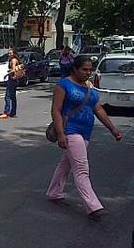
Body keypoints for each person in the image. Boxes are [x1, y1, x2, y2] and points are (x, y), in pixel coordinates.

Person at [46, 56, 122, 221]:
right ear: (74, 69)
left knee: (66, 164)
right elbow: (56, 111)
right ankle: (93, 206)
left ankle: (54, 192)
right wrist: (60, 133)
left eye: (90, 70)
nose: (88, 73)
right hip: (70, 130)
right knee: (81, 169)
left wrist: (113, 129)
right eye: (84, 69)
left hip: (86, 131)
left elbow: (98, 109)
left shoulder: (89, 86)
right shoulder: (63, 85)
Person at [0, 49, 22, 119]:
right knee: (13, 97)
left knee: (7, 96)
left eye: (10, 53)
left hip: (12, 80)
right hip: (15, 80)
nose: (9, 55)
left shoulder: (13, 60)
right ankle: (13, 112)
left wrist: (6, 74)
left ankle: (6, 112)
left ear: (14, 54)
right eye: (8, 53)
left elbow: (13, 69)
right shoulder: (14, 60)